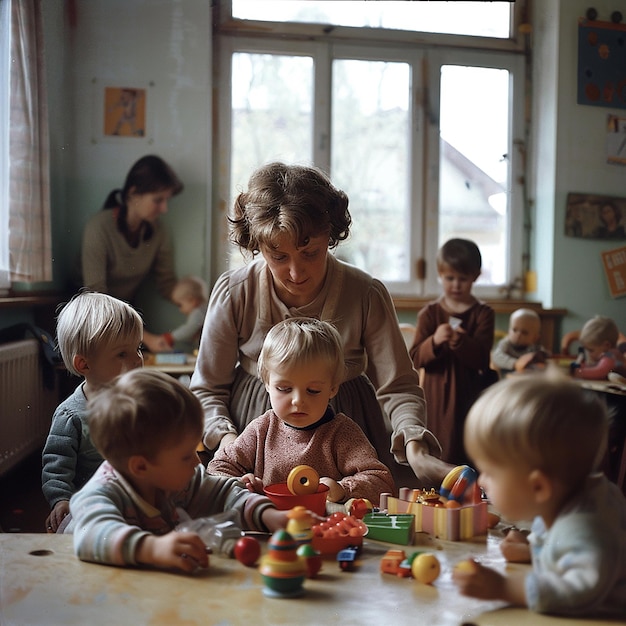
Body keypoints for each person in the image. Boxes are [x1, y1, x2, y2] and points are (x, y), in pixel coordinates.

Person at [190, 162, 450, 489]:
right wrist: (230, 442)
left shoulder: (365, 292)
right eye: (278, 256)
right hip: (252, 432)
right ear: (257, 243)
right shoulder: (235, 291)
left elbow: (397, 386)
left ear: (330, 235)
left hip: (347, 431)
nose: (296, 273)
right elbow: (207, 388)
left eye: (310, 252)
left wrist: (414, 445)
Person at [67, 369, 289, 571]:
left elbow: (224, 492)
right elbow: (91, 535)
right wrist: (152, 548)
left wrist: (267, 515)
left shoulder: (176, 481)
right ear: (141, 466)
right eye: (185, 456)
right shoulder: (101, 494)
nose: (197, 462)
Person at [452, 371, 626, 618]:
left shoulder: (584, 528)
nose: (481, 480)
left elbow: (579, 590)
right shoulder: (571, 498)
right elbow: (565, 549)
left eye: (489, 472)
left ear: (539, 488)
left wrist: (505, 588)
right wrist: (534, 551)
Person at [208, 317, 396, 505]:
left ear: (333, 388)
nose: (298, 401)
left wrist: (342, 489)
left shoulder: (342, 433)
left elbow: (381, 482)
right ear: (267, 384)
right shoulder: (261, 429)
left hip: (325, 529)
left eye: (313, 391)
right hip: (269, 528)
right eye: (284, 389)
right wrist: (241, 484)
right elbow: (218, 467)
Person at [42, 291, 144, 533]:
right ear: (84, 364)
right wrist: (61, 500)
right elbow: (56, 466)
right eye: (122, 353)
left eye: (138, 348)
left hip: (135, 500)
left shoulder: (139, 402)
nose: (138, 360)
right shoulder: (71, 415)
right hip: (88, 507)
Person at [80, 154, 183, 352]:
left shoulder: (159, 231)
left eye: (166, 200)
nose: (164, 209)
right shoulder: (98, 227)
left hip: (128, 314)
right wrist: (147, 337)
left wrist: (194, 305)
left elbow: (167, 283)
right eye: (158, 200)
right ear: (133, 194)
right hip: (90, 318)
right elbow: (96, 296)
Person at [409, 238, 495, 465]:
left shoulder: (483, 314)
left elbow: (482, 360)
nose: (456, 285)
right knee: (439, 447)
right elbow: (415, 357)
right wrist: (435, 342)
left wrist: (461, 342)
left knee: (468, 447)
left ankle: (470, 493)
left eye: (463, 279)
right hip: (435, 396)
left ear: (476, 276)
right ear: (440, 274)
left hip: (469, 393)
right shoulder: (429, 314)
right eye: (450, 278)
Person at [144, 275, 209, 353]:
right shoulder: (204, 310)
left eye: (180, 305)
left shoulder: (198, 312)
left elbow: (188, 330)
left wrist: (171, 337)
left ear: (192, 300)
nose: (180, 310)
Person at [491, 308, 548, 376]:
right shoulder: (506, 344)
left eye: (524, 332)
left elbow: (544, 359)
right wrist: (515, 363)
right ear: (509, 330)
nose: (518, 335)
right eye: (514, 330)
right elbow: (497, 357)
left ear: (535, 338)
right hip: (504, 377)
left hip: (526, 377)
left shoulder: (535, 348)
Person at [572, 315, 626, 380]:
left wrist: (578, 372)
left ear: (606, 345)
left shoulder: (610, 355)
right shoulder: (605, 354)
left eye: (591, 350)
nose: (589, 354)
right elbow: (595, 366)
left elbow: (600, 372)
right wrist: (581, 366)